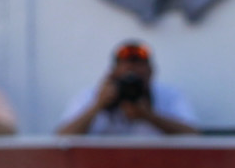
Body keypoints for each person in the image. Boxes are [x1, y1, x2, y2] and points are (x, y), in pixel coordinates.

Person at [55, 41, 200, 137]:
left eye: (139, 67)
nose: (133, 76)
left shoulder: (170, 96)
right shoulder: (92, 95)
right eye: (128, 68)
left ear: (151, 71)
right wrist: (98, 106)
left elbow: (193, 136)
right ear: (113, 73)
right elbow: (61, 138)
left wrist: (149, 116)